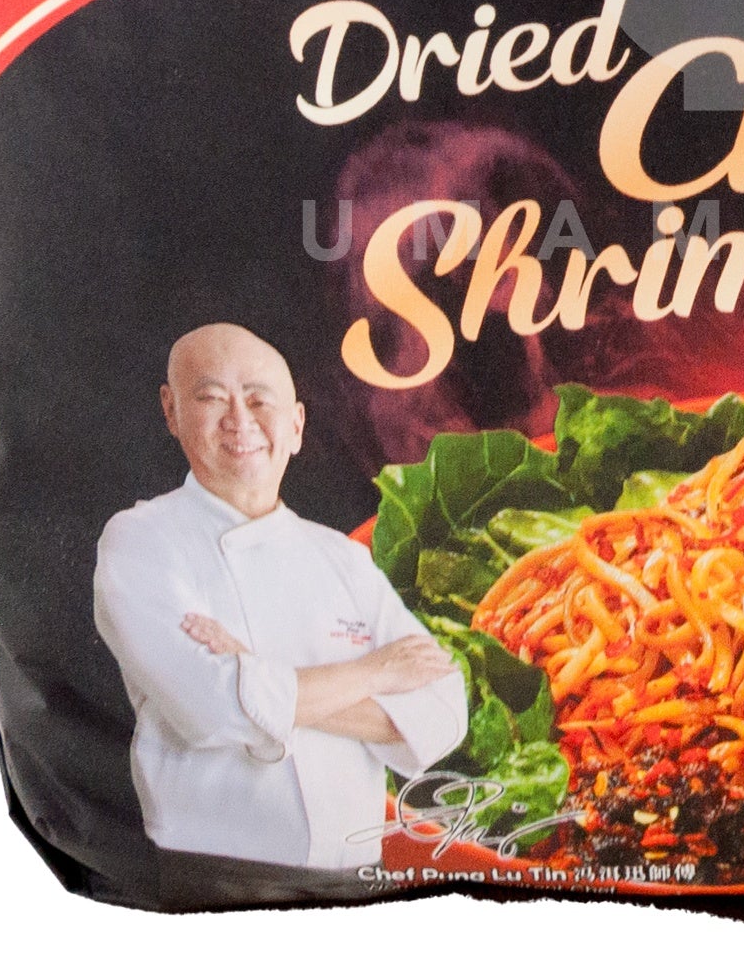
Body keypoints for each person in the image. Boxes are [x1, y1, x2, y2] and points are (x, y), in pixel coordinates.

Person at [93, 322, 467, 871]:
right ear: (171, 411)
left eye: (258, 400)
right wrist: (375, 672)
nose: (239, 420)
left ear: (295, 426)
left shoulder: (342, 557)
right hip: (206, 872)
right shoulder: (141, 539)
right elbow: (206, 708)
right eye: (212, 397)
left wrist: (253, 670)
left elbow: (444, 711)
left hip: (356, 873)